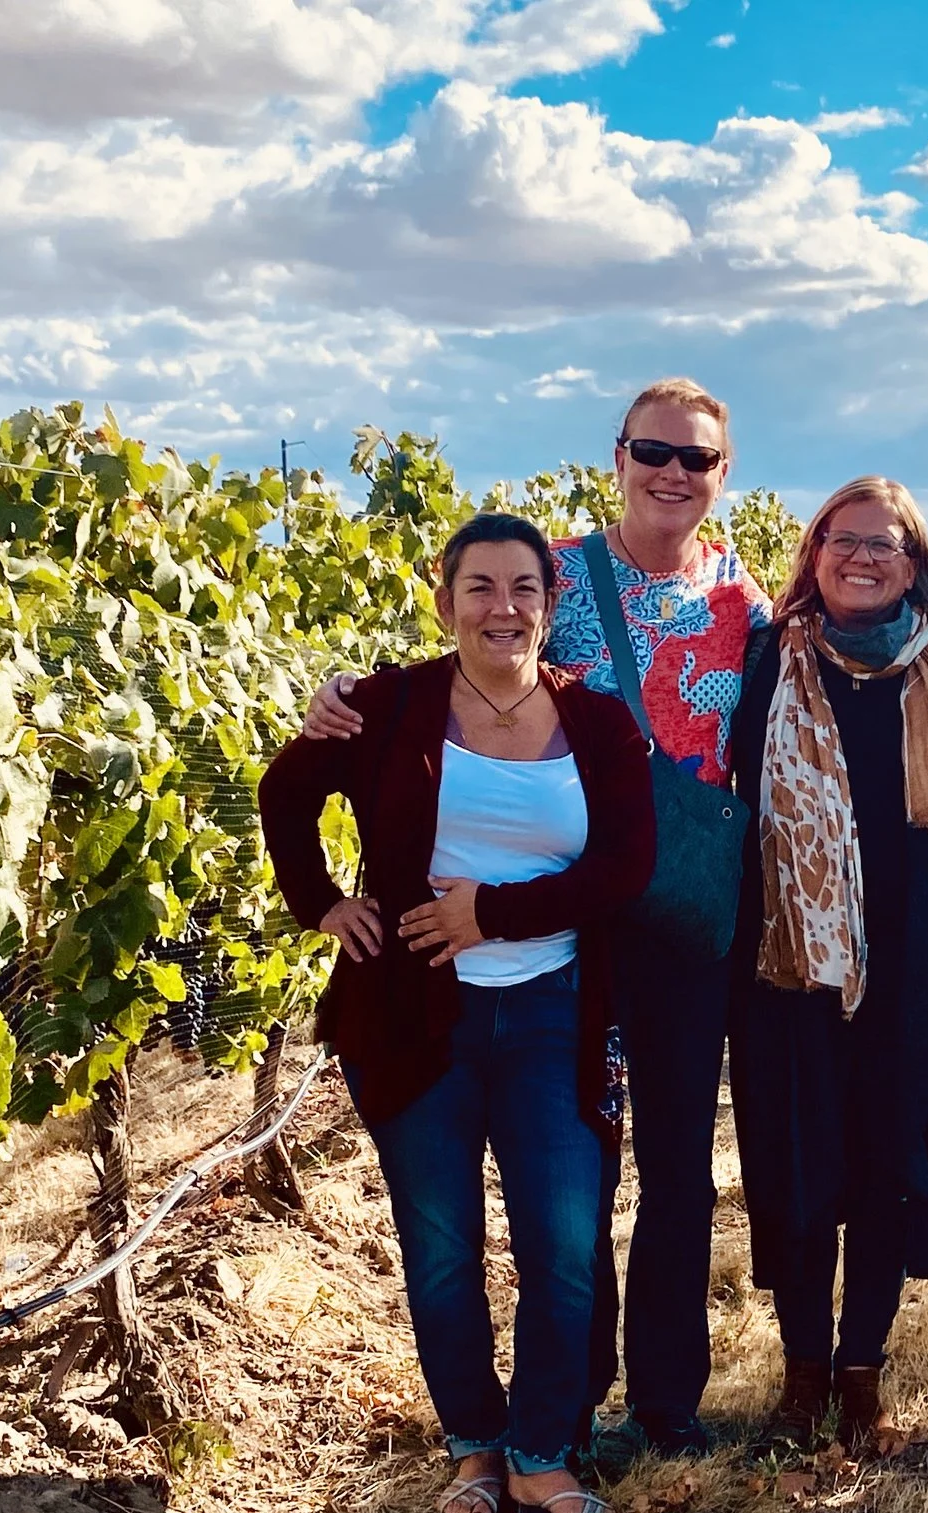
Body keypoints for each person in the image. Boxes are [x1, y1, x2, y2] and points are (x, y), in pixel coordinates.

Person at [297, 379, 768, 1457]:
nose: (672, 473)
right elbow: (450, 675)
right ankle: (578, 1392)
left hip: (687, 919)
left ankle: (667, 1396)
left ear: (721, 474)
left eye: (695, 458)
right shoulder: (546, 571)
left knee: (682, 1166)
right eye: (654, 451)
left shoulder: (747, 604)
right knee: (585, 1166)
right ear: (617, 457)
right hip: (574, 921)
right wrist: (338, 698)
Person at [257, 513, 654, 1513]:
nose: (502, 608)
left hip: (552, 1016)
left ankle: (539, 1458)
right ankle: (474, 1447)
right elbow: (285, 792)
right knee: (441, 1252)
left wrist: (495, 912)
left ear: (550, 607)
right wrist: (322, 905)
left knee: (564, 1247)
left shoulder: (598, 727)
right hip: (412, 1020)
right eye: (478, 587)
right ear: (444, 602)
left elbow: (623, 868)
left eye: (524, 588)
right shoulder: (389, 708)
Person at [729, 476, 928, 1458]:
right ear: (816, 554)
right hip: (791, 967)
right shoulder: (770, 664)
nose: (862, 556)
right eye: (844, 541)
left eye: (885, 544)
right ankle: (800, 1370)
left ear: (914, 562)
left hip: (913, 966)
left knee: (886, 1169)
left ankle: (860, 1374)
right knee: (800, 1166)